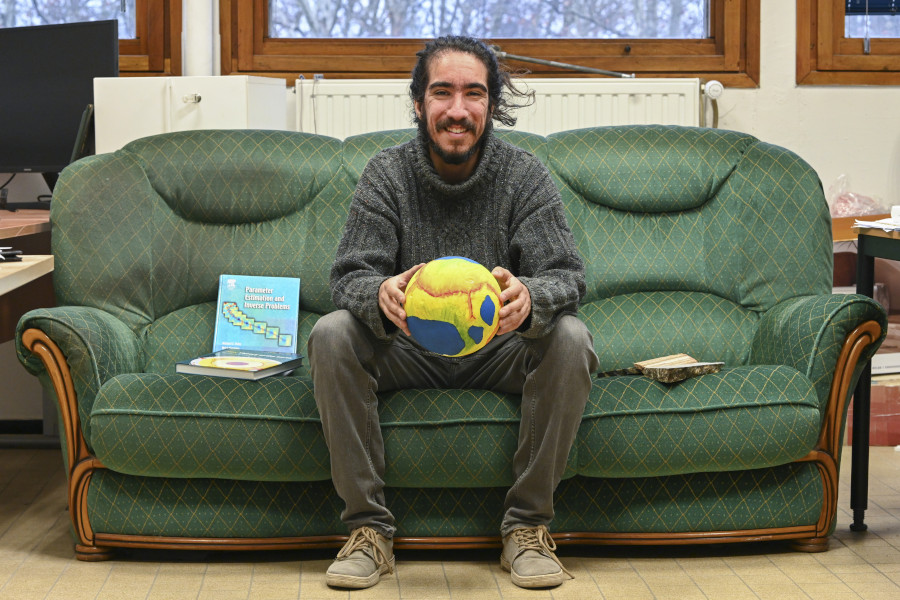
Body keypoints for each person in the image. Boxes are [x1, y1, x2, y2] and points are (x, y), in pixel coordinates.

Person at [308, 35, 599, 590]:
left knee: (570, 337)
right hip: (407, 349)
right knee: (331, 333)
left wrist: (529, 297)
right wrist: (380, 291)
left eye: (474, 94)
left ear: (491, 104)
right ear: (419, 103)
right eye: (442, 92)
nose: (458, 109)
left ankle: (527, 528)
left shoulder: (525, 175)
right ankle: (369, 531)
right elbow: (348, 276)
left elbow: (567, 275)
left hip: (499, 349)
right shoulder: (386, 174)